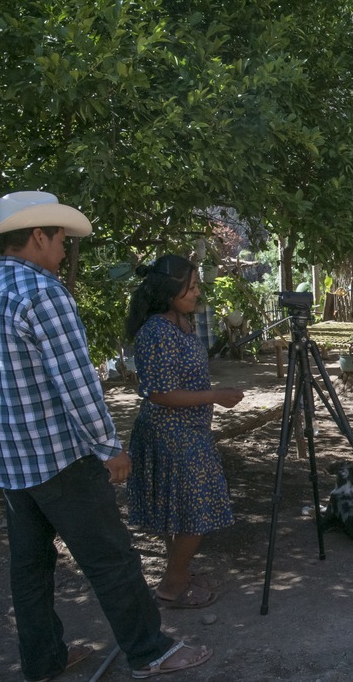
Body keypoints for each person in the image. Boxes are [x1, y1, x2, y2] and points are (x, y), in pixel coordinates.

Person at [0, 191, 211, 680]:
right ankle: (149, 651)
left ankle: (43, 658)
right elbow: (77, 381)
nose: (63, 250)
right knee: (111, 558)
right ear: (39, 236)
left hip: (12, 459)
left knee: (30, 566)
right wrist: (108, 446)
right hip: (60, 455)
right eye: (59, 239)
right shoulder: (43, 292)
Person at [125, 254, 245, 608]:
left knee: (180, 509)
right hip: (170, 434)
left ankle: (177, 571)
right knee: (198, 510)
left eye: (196, 286)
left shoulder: (183, 324)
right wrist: (216, 396)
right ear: (168, 292)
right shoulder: (156, 332)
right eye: (190, 288)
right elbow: (160, 393)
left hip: (190, 429)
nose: (196, 293)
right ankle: (173, 585)